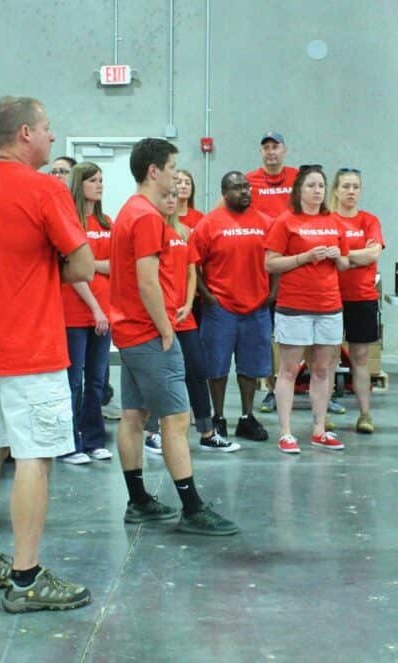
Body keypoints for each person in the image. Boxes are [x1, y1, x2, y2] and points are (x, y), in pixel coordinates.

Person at [0, 96, 94, 613]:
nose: (52, 137)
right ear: (24, 134)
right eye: (46, 128)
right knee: (35, 458)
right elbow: (81, 265)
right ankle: (26, 577)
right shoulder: (44, 188)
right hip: (30, 348)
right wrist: (44, 274)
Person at [110, 137, 239, 535]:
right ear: (154, 171)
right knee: (177, 419)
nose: (175, 177)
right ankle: (192, 506)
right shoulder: (147, 216)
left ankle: (138, 500)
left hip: (129, 332)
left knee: (133, 415)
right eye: (171, 168)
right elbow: (148, 282)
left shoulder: (128, 211)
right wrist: (167, 330)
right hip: (149, 333)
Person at [143, 187, 240, 454]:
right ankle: (153, 431)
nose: (172, 200)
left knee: (197, 369)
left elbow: (190, 273)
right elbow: (146, 278)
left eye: (175, 196)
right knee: (161, 374)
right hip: (157, 318)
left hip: (184, 316)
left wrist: (187, 304)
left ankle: (207, 432)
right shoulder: (150, 231)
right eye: (166, 195)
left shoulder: (185, 233)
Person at [266, 165, 350, 454]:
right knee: (289, 369)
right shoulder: (286, 221)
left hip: (328, 304)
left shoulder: (334, 222)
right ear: (299, 190)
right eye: (311, 185)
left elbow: (346, 264)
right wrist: (304, 257)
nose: (317, 191)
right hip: (294, 305)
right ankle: (286, 432)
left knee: (322, 369)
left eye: (321, 186)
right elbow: (271, 263)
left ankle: (319, 429)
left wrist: (339, 257)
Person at [192, 171, 272, 442]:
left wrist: (272, 292)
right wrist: (207, 296)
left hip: (256, 308)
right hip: (220, 308)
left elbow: (276, 258)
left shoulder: (265, 222)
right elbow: (193, 264)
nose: (244, 191)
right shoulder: (209, 223)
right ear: (224, 193)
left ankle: (247, 418)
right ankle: (219, 417)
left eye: (247, 187)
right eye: (237, 188)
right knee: (216, 367)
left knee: (250, 368)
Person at [59, 161, 115, 464]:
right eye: (93, 180)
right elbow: (71, 270)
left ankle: (94, 438)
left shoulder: (107, 222)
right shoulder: (70, 222)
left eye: (101, 180)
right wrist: (94, 306)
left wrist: (90, 265)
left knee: (96, 380)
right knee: (73, 380)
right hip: (74, 312)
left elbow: (116, 266)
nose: (99, 185)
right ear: (80, 184)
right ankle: (69, 443)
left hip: (103, 313)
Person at [247, 132, 299, 414]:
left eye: (275, 146)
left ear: (284, 150)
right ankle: (270, 387)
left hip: (294, 265)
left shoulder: (297, 178)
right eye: (265, 147)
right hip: (262, 266)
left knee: (299, 333)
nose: (271, 152)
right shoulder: (250, 181)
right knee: (265, 331)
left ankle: (312, 386)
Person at [331, 168, 384, 433]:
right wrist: (356, 255)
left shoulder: (369, 221)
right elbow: (329, 258)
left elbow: (373, 255)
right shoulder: (328, 220)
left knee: (360, 358)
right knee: (326, 358)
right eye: (346, 186)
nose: (351, 191)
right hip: (329, 298)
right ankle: (323, 415)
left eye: (355, 186)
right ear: (336, 190)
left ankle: (365, 415)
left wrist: (342, 257)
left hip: (362, 298)